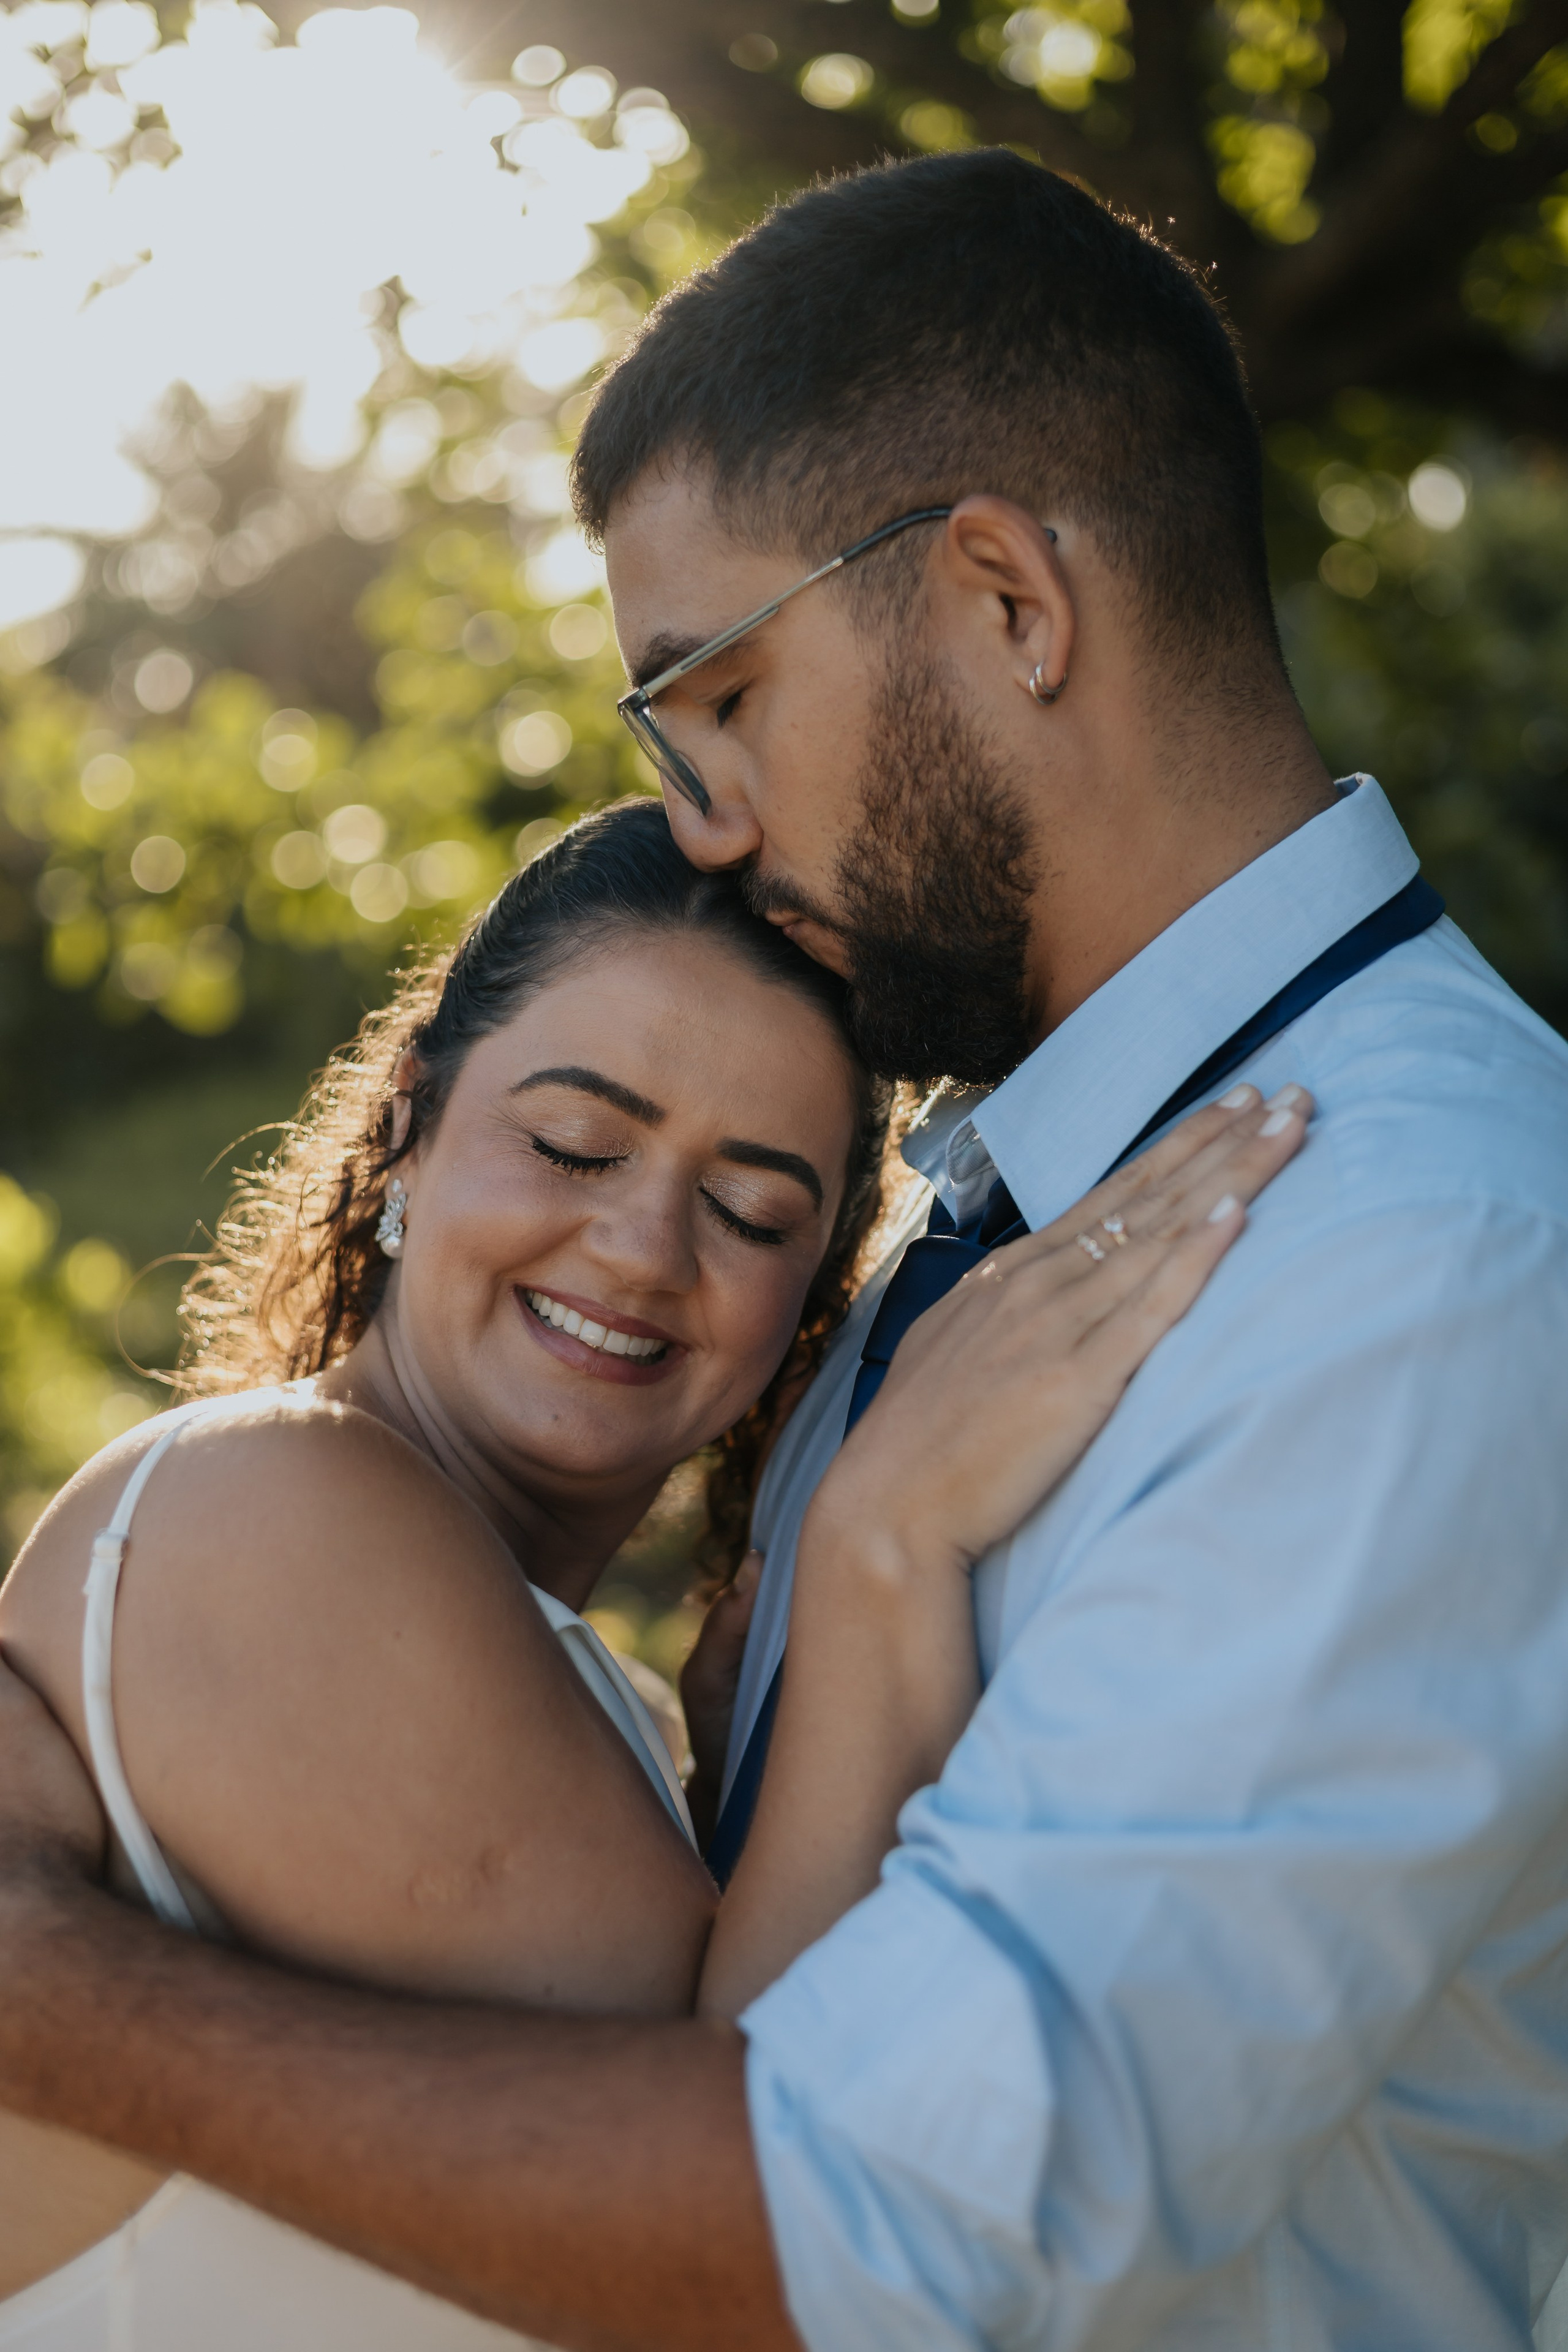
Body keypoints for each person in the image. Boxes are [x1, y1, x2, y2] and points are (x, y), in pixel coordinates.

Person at [0, 143, 1567, 2352]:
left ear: (1009, 600)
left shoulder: (1413, 1257)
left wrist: (55, 2001)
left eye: (719, 695)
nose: (704, 821)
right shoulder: (1003, 1205)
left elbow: (875, 2234)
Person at [0, 791, 1293, 2346]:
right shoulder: (269, 1505)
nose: (639, 1249)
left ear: (810, 1296)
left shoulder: (535, 1662)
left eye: (750, 1212)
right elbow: (747, 2223)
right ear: (409, 1125)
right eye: (572, 1144)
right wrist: (884, 1538)